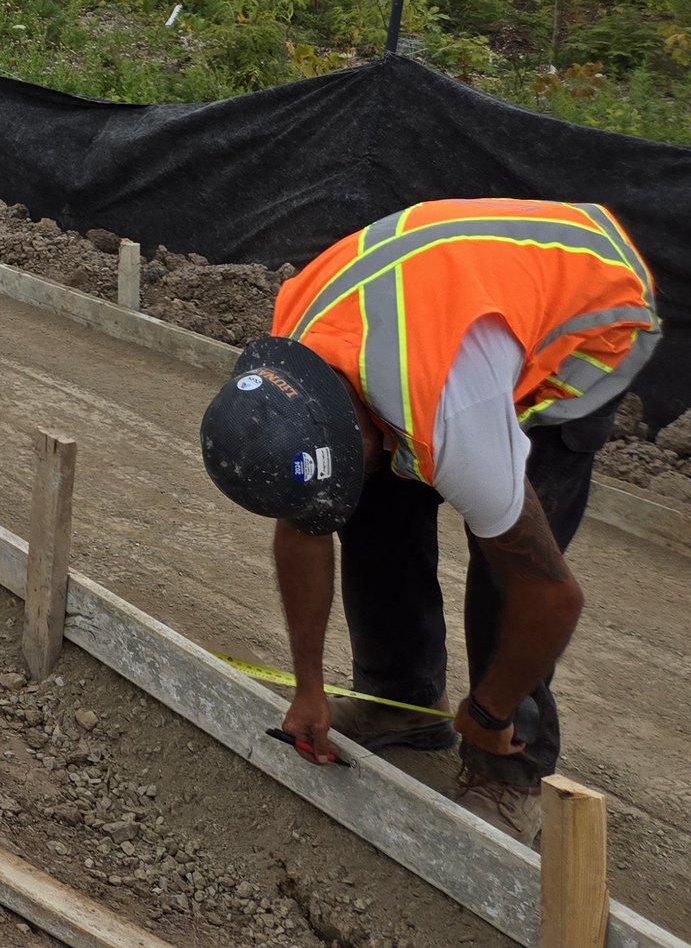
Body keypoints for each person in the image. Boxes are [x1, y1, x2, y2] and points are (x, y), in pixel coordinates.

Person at [197, 197, 660, 845]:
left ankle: (510, 767)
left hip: (594, 304)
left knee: (506, 558)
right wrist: (308, 686)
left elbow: (552, 597)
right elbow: (304, 520)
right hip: (459, 311)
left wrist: (488, 707)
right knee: (365, 497)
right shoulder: (289, 352)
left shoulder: (451, 409)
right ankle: (401, 700)